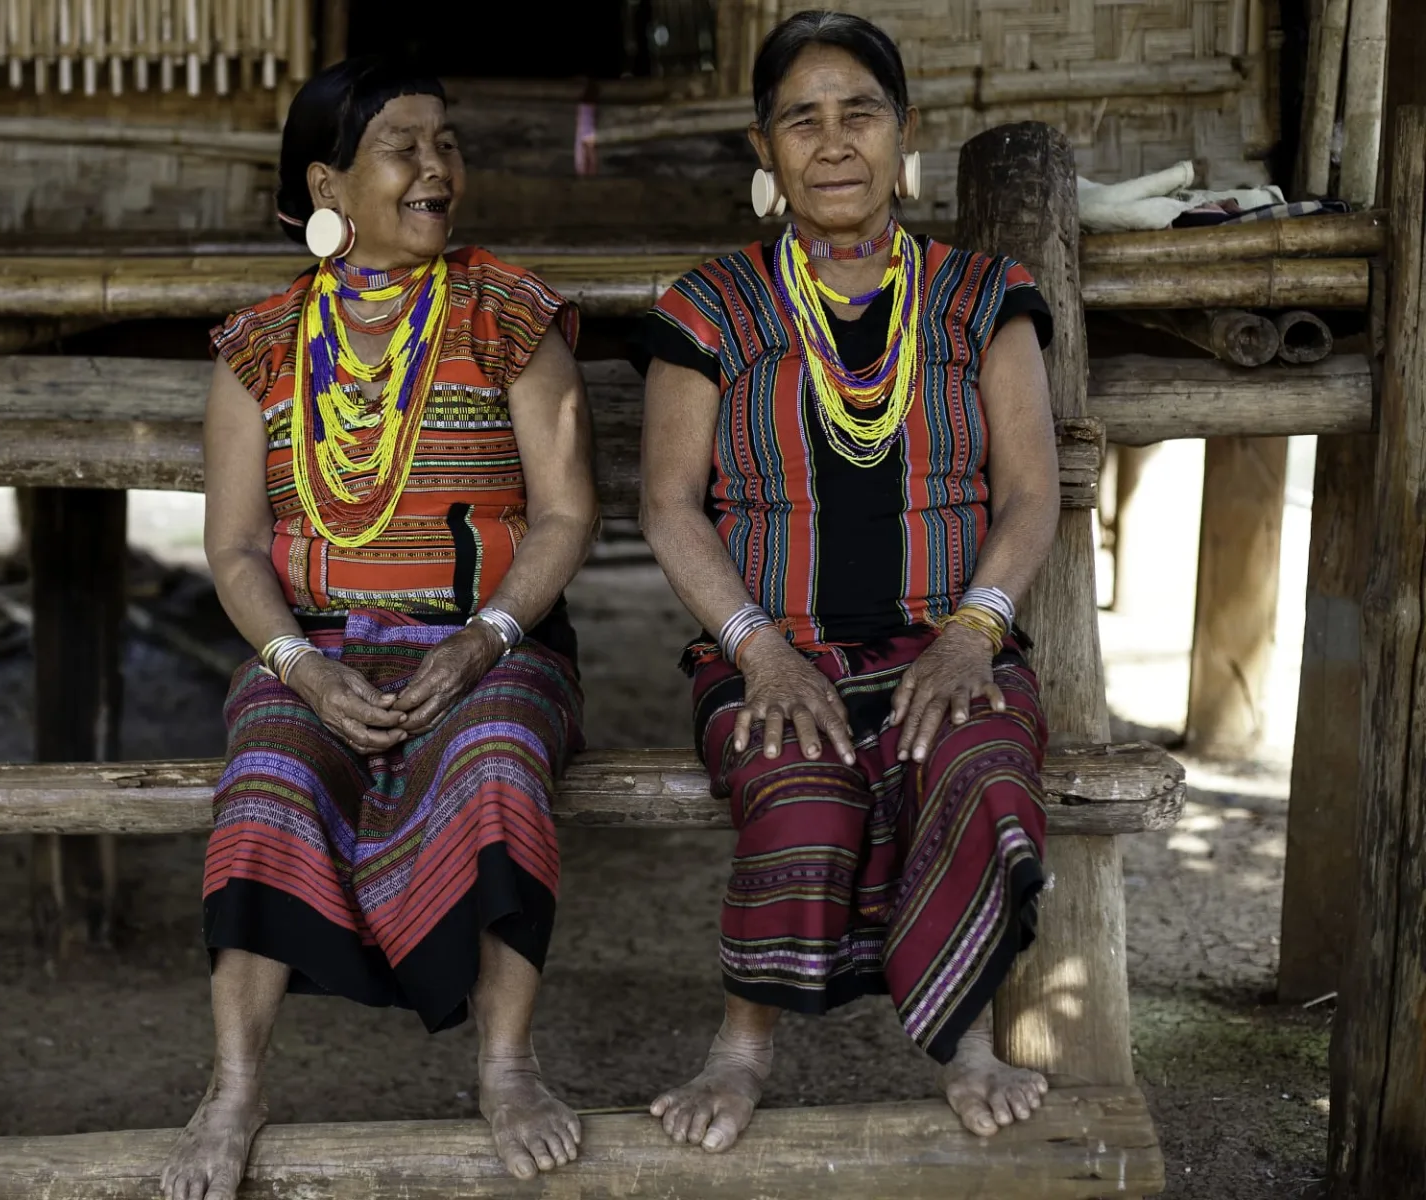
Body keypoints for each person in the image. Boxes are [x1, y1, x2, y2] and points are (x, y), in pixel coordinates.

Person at [161, 56, 597, 1200]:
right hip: (313, 645)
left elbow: (563, 514)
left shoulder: (511, 310)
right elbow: (236, 551)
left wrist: (486, 637)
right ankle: (237, 1087)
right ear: (327, 182)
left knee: (497, 758)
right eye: (402, 147)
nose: (435, 168)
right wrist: (298, 666)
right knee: (264, 776)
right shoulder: (257, 346)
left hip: (488, 640)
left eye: (446, 144)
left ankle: (508, 1065)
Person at [637, 9, 1063, 1151]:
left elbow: (1031, 492)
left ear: (903, 132)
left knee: (971, 756)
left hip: (951, 634)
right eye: (801, 120)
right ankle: (740, 1048)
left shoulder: (982, 297)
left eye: (859, 113)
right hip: (775, 647)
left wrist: (976, 632)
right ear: (764, 149)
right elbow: (668, 504)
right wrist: (757, 648)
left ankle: (967, 1035)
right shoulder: (710, 306)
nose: (833, 143)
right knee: (804, 784)